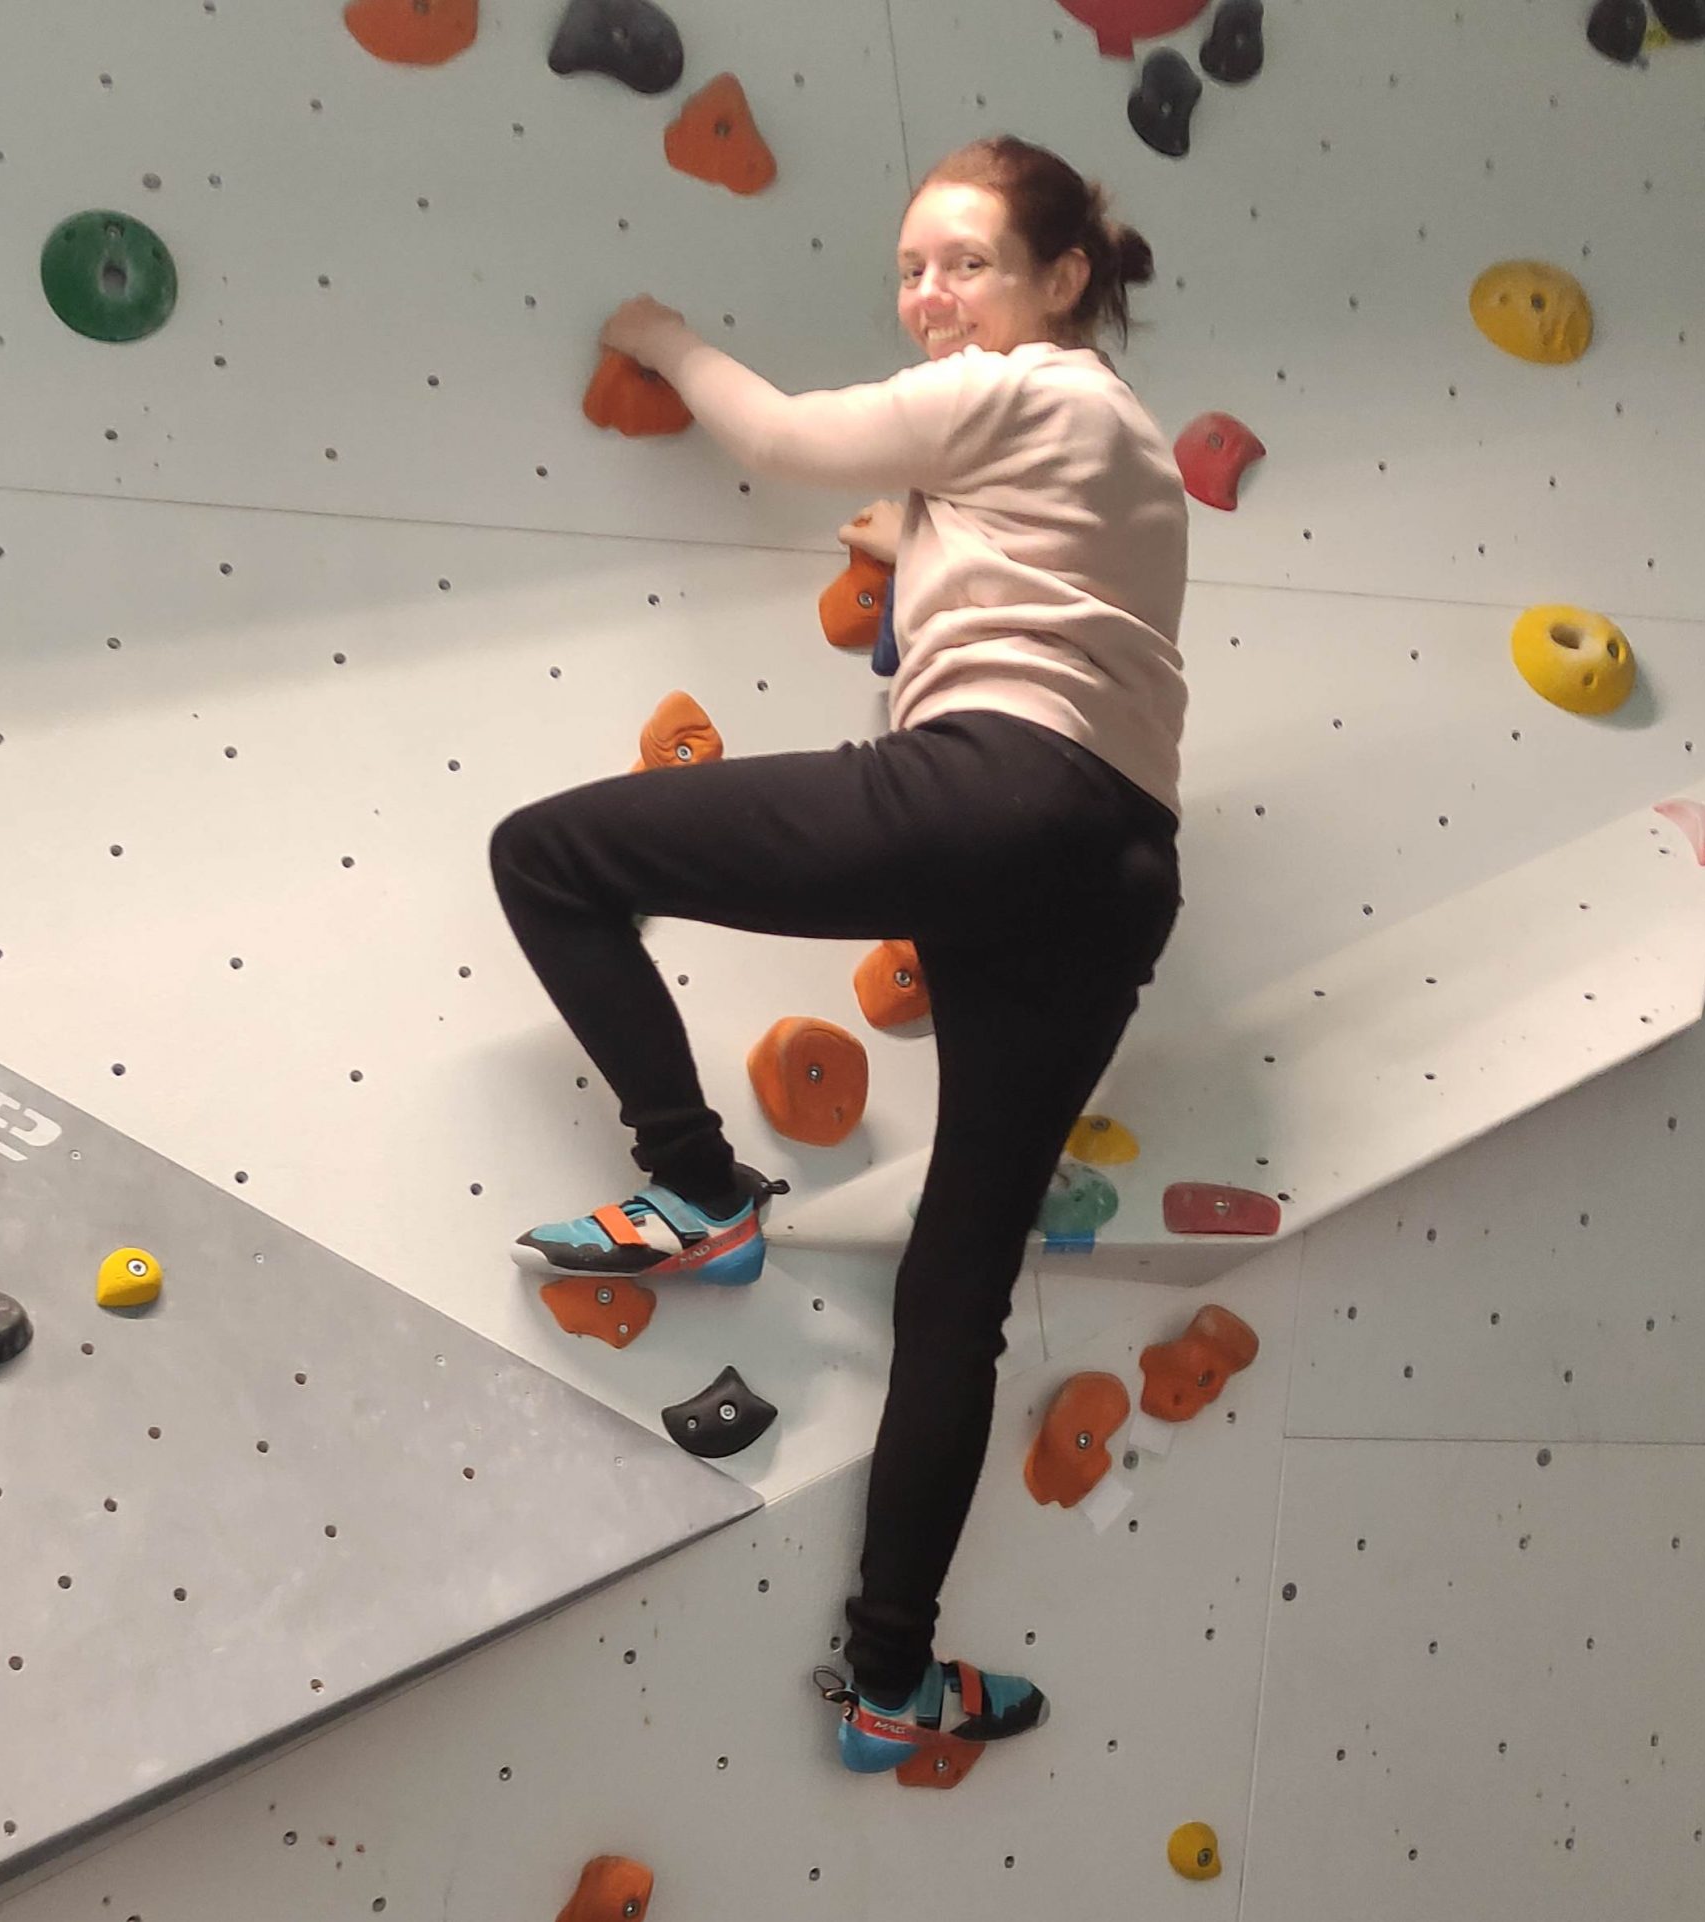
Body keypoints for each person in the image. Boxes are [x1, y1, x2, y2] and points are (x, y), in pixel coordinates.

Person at [487, 135, 1189, 1776]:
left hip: (1004, 791)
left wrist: (656, 336)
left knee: (549, 858)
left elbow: (791, 437)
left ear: (1061, 280)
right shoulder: (1101, 449)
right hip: (1112, 871)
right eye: (911, 269)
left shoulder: (1038, 390)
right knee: (956, 1293)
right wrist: (903, 541)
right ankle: (892, 1677)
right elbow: (974, 555)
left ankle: (698, 1184)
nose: (930, 297)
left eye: (966, 262)